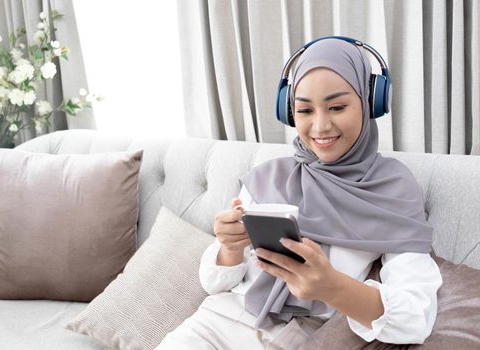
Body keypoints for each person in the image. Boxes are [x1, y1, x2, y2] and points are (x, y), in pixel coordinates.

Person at [157, 37, 442, 349]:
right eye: (305, 110)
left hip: (308, 338)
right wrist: (229, 247)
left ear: (370, 102)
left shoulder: (393, 188)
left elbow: (416, 317)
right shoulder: (268, 177)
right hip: (216, 324)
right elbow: (215, 283)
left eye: (337, 107)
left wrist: (333, 287)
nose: (320, 127)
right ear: (289, 113)